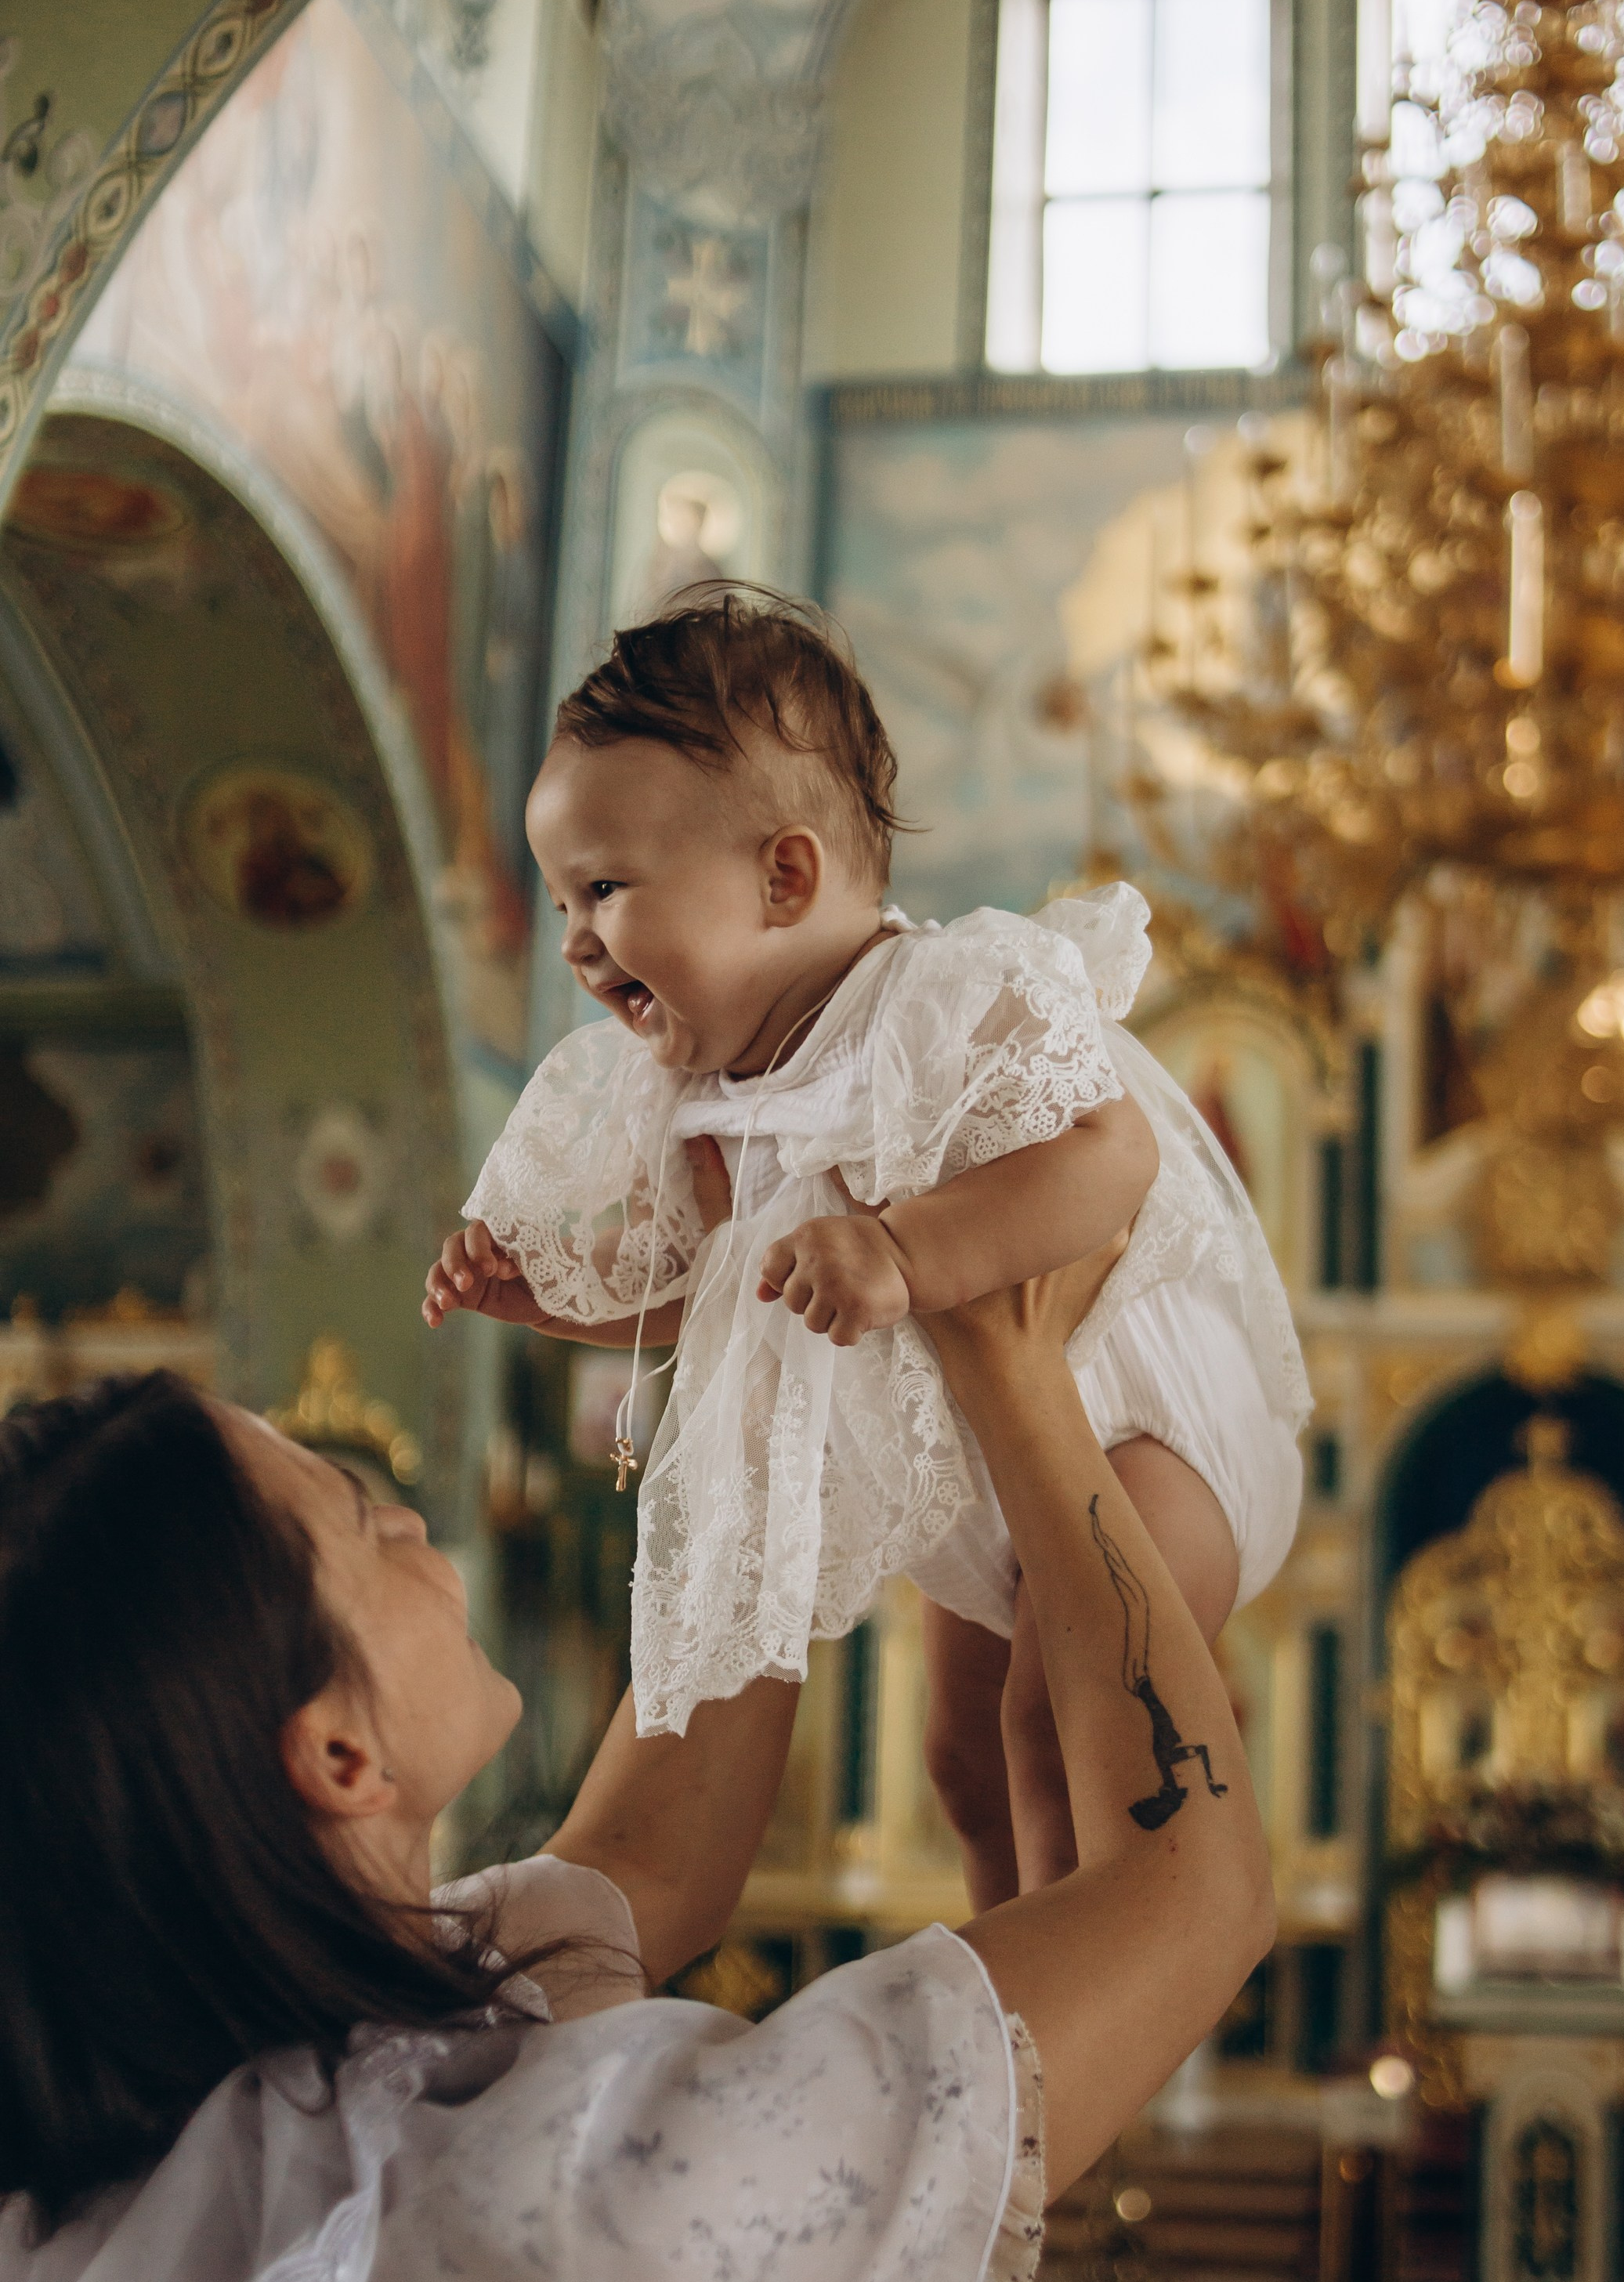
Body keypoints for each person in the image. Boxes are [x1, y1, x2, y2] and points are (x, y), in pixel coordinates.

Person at [0, 1244, 1275, 2282]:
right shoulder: (588, 2217)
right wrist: (1017, 1373)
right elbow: (1194, 1893)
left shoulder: (225, 2134)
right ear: (339, 1757)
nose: (412, 1520)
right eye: (359, 1518)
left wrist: (760, 1326)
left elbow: (647, 1857)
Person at [424, 587, 1309, 1904]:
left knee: (1054, 1728)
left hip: (1142, 1429)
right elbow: (727, 1299)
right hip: (974, 1471)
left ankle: (1090, 1999)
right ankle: (1011, 1976)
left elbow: (1111, 1157)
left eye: (604, 890)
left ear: (784, 878)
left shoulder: (938, 1000)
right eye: (561, 902)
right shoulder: (697, 1092)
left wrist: (904, 1251)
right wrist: (550, 1300)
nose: (576, 945)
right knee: (961, 1759)